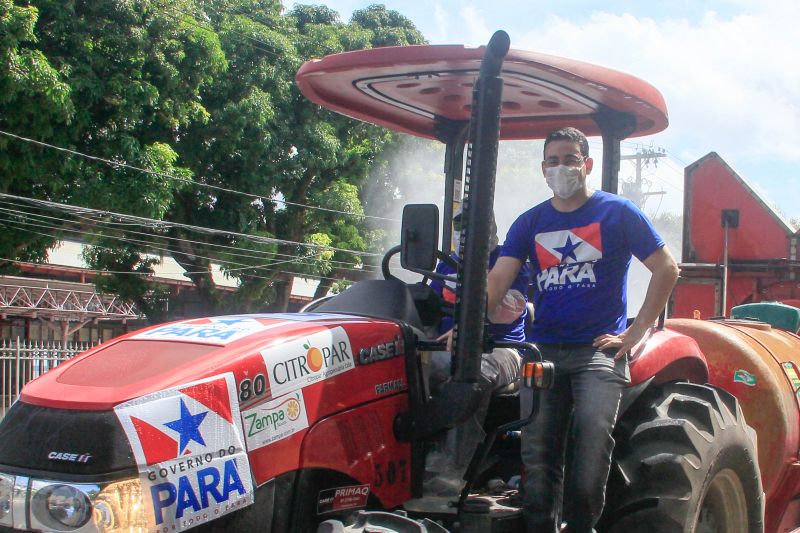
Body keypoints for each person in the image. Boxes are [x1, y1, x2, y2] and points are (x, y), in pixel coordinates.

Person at [485, 127, 679, 533]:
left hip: (598, 352)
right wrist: (468, 327)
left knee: (592, 440)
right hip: (543, 352)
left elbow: (667, 267)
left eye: (570, 159)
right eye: (553, 161)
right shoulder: (530, 223)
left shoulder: (617, 212)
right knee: (538, 450)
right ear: (543, 169)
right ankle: (539, 526)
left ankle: (581, 527)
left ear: (587, 165)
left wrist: (636, 331)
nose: (561, 168)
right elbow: (497, 283)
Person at [424, 211, 530, 495]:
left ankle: (450, 472)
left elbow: (510, 309)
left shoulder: (510, 263)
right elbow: (427, 304)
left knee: (471, 372)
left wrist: (469, 320)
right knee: (405, 366)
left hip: (501, 348)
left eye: (471, 226)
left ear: (491, 230)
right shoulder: (447, 266)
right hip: (445, 348)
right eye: (458, 227)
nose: (462, 233)